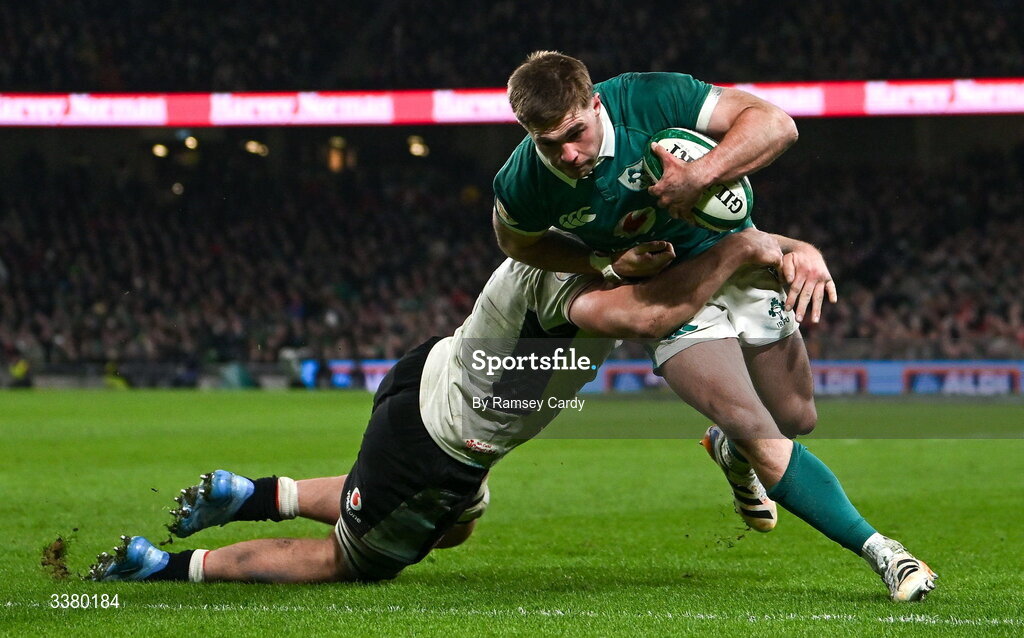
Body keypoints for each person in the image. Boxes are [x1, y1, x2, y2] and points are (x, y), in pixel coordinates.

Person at [89, 228, 783, 585]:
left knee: (457, 525)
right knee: (350, 563)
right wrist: (740, 252)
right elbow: (643, 315)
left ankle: (252, 495)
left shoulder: (548, 244)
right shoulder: (575, 285)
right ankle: (165, 567)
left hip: (426, 374)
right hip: (441, 442)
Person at [491, 51, 935, 601]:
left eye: (575, 132)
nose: (568, 153)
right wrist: (601, 266)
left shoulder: (648, 97)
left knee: (795, 417)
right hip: (670, 294)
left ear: (595, 102)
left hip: (738, 257)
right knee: (753, 424)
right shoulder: (524, 180)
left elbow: (777, 125)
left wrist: (699, 176)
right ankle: (887, 553)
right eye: (547, 142)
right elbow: (515, 242)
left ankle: (728, 449)